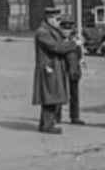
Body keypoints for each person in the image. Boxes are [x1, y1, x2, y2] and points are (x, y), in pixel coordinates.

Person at [32, 7, 80, 135]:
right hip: (49, 68)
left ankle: (45, 124)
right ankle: (48, 125)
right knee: (50, 97)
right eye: (57, 19)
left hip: (54, 67)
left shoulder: (51, 30)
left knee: (52, 96)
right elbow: (56, 47)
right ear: (49, 19)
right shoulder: (42, 32)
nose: (59, 22)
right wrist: (73, 44)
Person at [58, 18, 85, 126]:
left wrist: (81, 60)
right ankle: (57, 116)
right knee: (60, 93)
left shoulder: (76, 38)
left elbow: (79, 52)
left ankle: (75, 116)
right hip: (62, 68)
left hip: (74, 69)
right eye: (64, 29)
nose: (67, 31)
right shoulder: (59, 39)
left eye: (69, 29)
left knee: (74, 94)